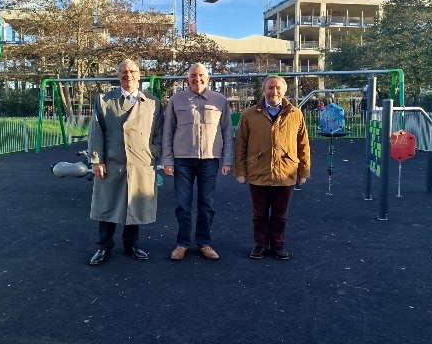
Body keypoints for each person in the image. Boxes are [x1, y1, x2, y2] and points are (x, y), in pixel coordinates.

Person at [87, 59, 163, 266]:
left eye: (132, 71)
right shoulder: (104, 100)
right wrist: (97, 160)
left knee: (135, 203)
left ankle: (132, 245)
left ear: (139, 75)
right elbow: (96, 132)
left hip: (140, 161)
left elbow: (158, 132)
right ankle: (104, 247)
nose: (127, 75)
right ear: (118, 75)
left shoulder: (152, 102)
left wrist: (152, 152)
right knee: (107, 204)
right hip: (113, 161)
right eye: (123, 71)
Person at [161, 63, 234, 261]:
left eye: (201, 75)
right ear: (188, 78)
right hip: (182, 160)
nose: (197, 79)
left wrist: (228, 160)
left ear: (208, 78)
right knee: (183, 205)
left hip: (210, 160)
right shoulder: (176, 100)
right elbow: (167, 132)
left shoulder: (220, 100)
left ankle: (203, 243)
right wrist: (167, 161)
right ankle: (182, 244)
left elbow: (227, 132)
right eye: (193, 75)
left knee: (206, 204)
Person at [234, 76, 311, 260]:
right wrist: (240, 171)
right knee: (259, 213)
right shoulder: (249, 114)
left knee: (280, 214)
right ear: (264, 90)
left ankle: (278, 244)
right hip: (258, 171)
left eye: (277, 88)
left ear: (284, 91)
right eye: (270, 88)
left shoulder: (295, 114)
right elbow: (241, 144)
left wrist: (303, 171)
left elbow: (303, 144)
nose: (273, 91)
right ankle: (260, 244)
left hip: (286, 172)